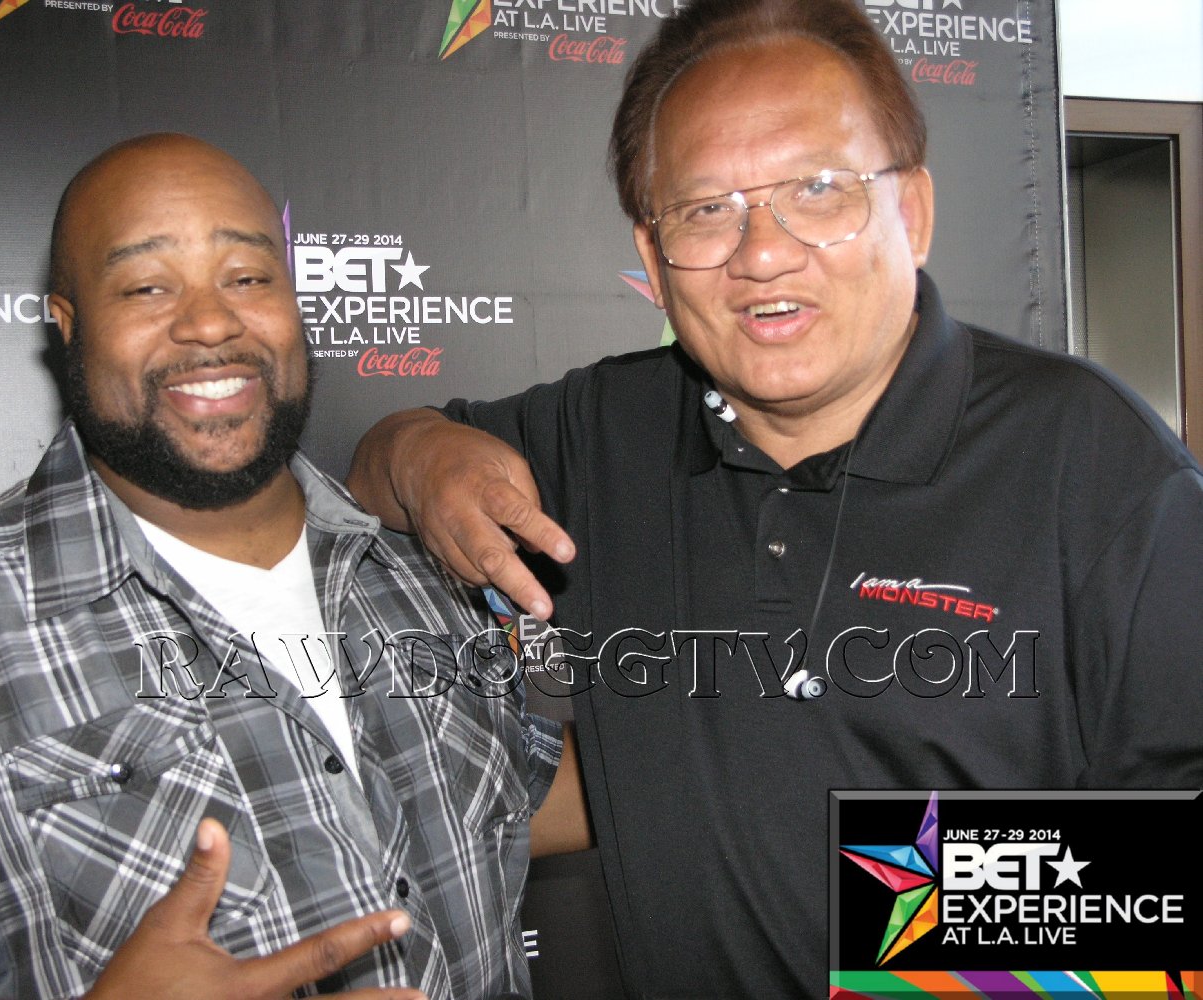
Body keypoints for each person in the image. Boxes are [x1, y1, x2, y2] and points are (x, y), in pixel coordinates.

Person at [346, 0, 1203, 995]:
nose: (760, 253)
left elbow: (1167, 885)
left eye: (817, 189)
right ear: (653, 258)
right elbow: (376, 462)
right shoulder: (605, 424)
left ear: (912, 212)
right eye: (705, 210)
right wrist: (423, 454)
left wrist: (884, 892)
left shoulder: (1092, 462)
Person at [0, 133, 560, 999]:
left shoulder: (423, 572)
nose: (208, 322)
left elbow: (512, 804)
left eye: (247, 277)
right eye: (146, 286)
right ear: (68, 326)